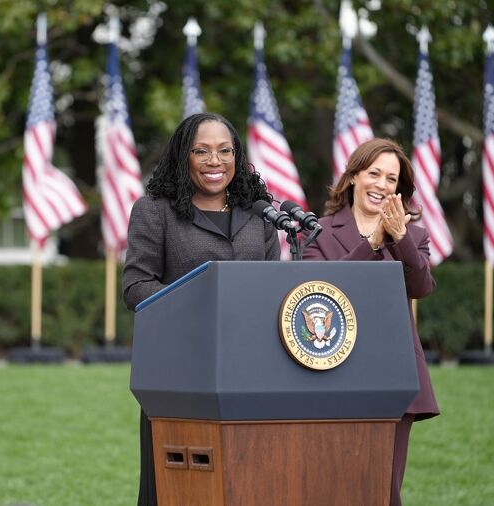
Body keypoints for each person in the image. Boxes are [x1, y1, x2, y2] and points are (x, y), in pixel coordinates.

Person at [123, 112, 280, 505]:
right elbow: (136, 285)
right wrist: (199, 302)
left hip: (250, 367)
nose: (215, 161)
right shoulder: (155, 210)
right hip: (181, 368)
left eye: (225, 151)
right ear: (183, 156)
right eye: (202, 151)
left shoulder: (259, 213)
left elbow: (273, 284)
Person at [302, 137, 439, 506]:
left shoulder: (415, 236)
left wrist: (398, 238)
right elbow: (322, 289)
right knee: (332, 485)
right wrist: (371, 244)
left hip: (395, 372)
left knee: (383, 490)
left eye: (391, 179)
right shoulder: (317, 232)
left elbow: (421, 286)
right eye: (374, 173)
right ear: (352, 178)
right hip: (332, 371)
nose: (381, 184)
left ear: (399, 189)